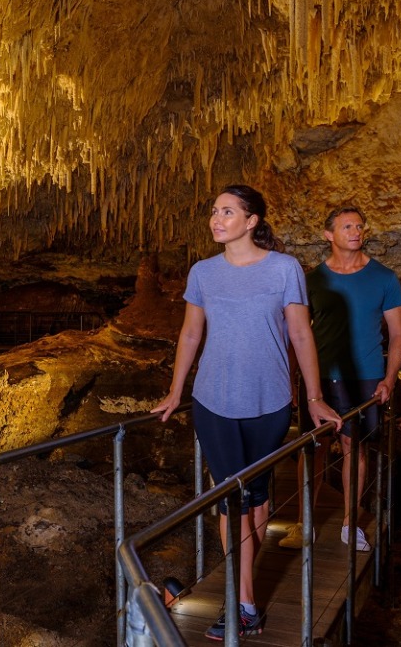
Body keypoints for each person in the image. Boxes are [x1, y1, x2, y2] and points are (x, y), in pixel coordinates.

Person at [153, 185, 341, 640]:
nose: (217, 219)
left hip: (270, 403)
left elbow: (300, 336)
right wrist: (176, 390)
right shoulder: (203, 272)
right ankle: (244, 602)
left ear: (252, 220)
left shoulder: (284, 269)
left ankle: (244, 594)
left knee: (255, 499)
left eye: (228, 211)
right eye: (215, 211)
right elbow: (191, 335)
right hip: (213, 401)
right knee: (231, 498)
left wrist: (313, 397)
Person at [306, 206, 401, 553]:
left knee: (354, 446)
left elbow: (397, 335)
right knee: (315, 449)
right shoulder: (313, 280)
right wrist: (298, 384)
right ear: (328, 235)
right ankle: (308, 521)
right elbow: (300, 335)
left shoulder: (384, 278)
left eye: (359, 226)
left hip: (365, 376)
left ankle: (350, 523)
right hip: (321, 378)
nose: (355, 231)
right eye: (347, 226)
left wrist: (389, 379)